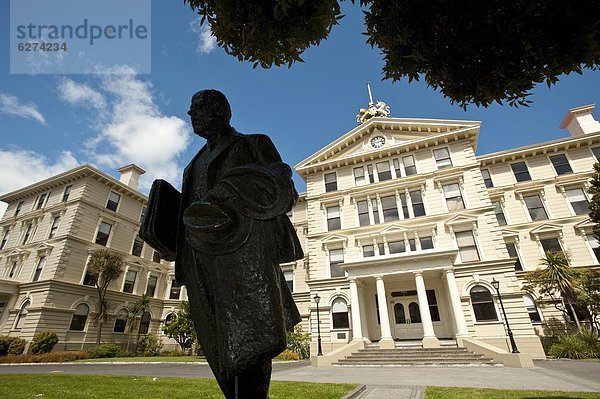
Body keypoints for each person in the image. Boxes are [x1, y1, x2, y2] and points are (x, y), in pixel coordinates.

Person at [142, 89, 303, 399]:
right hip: (199, 262)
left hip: (244, 259)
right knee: (217, 344)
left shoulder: (252, 143)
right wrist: (167, 233)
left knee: (253, 340)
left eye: (196, 109)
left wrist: (231, 189)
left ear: (217, 110)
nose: (190, 115)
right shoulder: (193, 165)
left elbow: (283, 188)